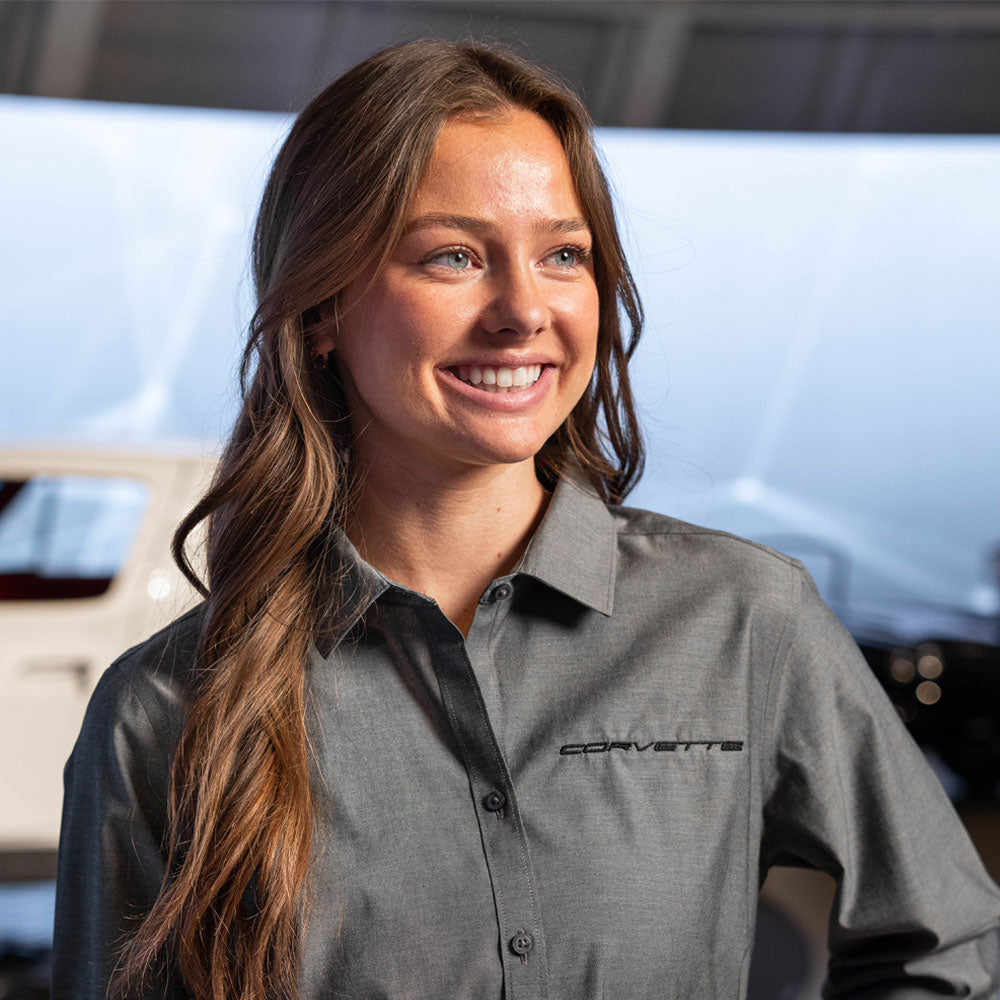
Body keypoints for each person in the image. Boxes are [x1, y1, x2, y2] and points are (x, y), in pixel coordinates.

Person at [52, 39, 1000, 1000]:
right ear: (321, 306)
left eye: (562, 255)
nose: (522, 310)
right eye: (454, 256)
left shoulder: (744, 619)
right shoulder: (161, 714)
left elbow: (943, 950)